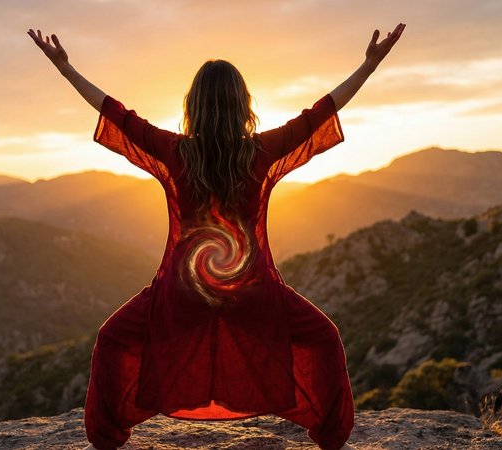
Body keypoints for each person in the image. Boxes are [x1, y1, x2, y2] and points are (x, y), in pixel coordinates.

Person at [28, 22, 405, 450]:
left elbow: (117, 113)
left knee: (112, 338)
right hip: (254, 296)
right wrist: (368, 65)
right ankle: (331, 436)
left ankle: (106, 437)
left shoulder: (175, 151)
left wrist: (65, 68)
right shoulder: (261, 153)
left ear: (194, 106)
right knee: (325, 337)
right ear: (243, 105)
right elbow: (320, 112)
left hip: (179, 297)